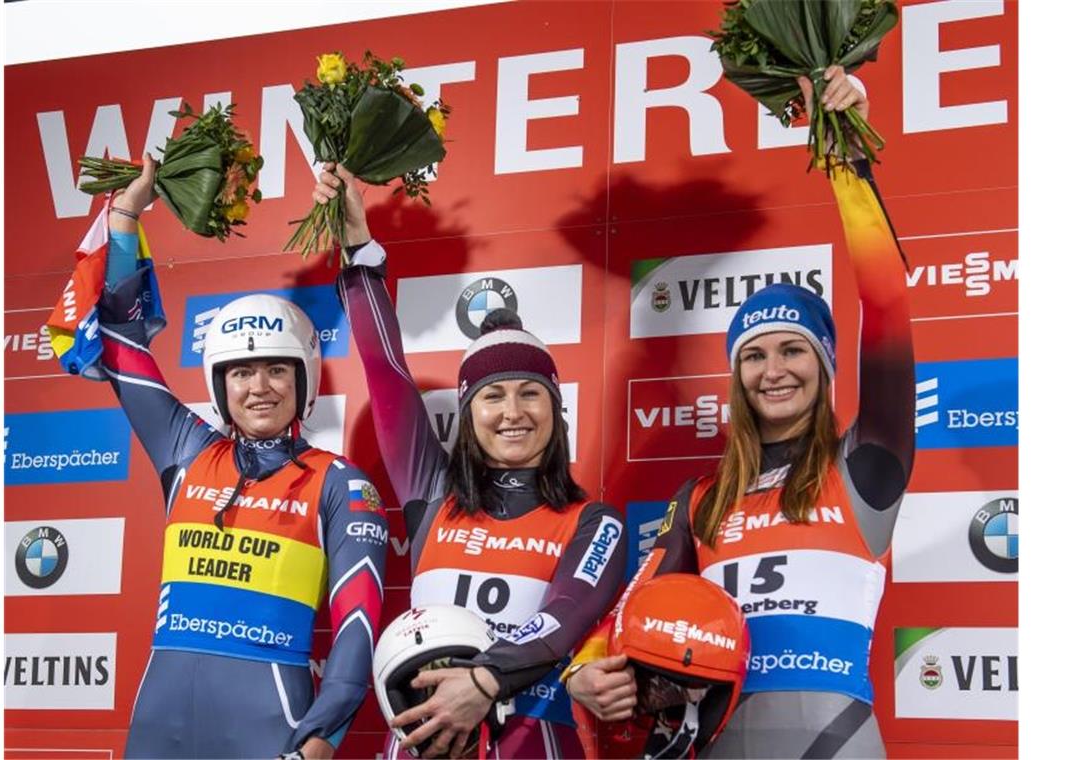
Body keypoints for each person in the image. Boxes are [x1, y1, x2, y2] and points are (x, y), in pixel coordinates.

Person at [564, 67, 914, 758]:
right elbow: (632, 610)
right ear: (736, 376)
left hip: (835, 742)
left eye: (794, 350)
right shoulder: (702, 500)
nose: (774, 369)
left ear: (826, 366)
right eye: (754, 355)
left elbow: (888, 305)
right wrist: (584, 673)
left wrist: (846, 158)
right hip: (717, 742)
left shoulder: (867, 465)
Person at [50, 158, 390, 759]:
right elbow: (122, 342)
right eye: (241, 371)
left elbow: (357, 627)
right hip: (158, 726)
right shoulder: (186, 450)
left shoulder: (340, 484)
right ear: (219, 383)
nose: (259, 387)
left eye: (276, 370)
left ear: (304, 379)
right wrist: (125, 218)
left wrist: (322, 735)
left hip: (272, 728)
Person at [317, 162, 628, 758]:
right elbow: (386, 375)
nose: (513, 411)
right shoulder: (434, 494)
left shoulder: (595, 522)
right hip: (420, 742)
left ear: (556, 408)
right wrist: (359, 249)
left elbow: (561, 619)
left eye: (530, 392)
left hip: (532, 741)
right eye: (492, 395)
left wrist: (482, 682)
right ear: (467, 413)